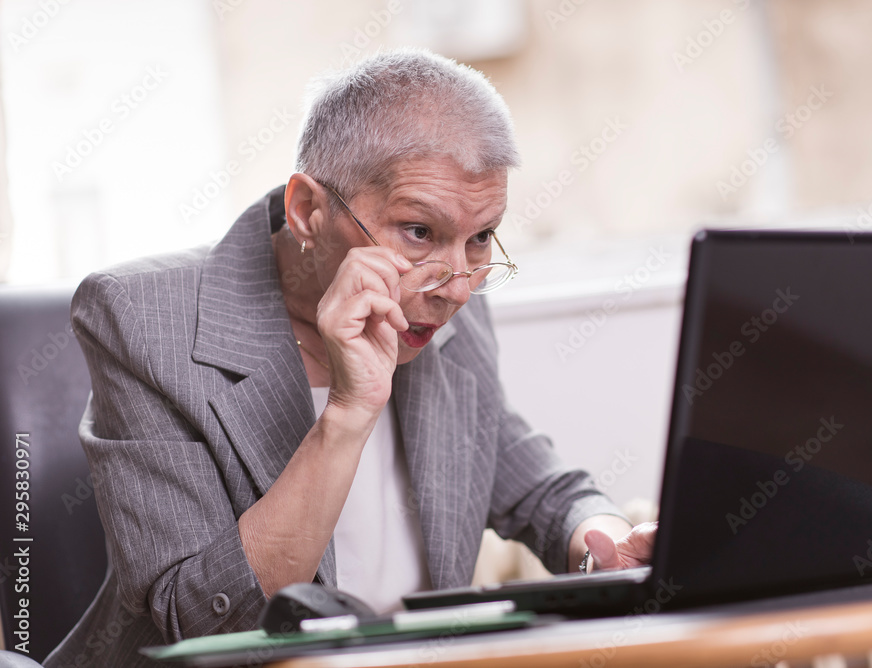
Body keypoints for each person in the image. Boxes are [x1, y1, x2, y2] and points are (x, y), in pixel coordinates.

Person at [45, 49, 655, 667]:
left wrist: (604, 544)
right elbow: (200, 623)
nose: (458, 285)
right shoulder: (142, 320)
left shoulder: (446, 300)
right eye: (419, 231)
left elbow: (541, 490)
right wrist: (346, 413)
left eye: (479, 237)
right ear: (309, 210)